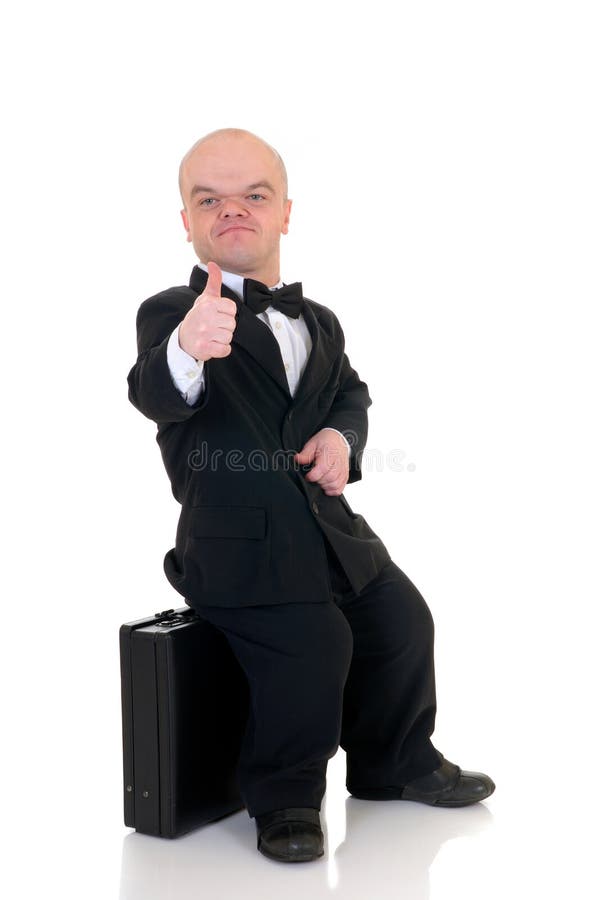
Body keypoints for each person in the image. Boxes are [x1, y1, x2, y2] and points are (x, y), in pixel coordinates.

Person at [126, 128, 495, 864]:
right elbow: (154, 391)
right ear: (187, 222)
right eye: (210, 199)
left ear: (285, 212)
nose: (233, 210)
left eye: (253, 195)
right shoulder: (172, 314)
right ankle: (287, 796)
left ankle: (394, 762)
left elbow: (350, 394)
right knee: (314, 645)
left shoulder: (318, 321)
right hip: (235, 550)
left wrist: (341, 441)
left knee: (400, 620)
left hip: (327, 531)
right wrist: (188, 348)